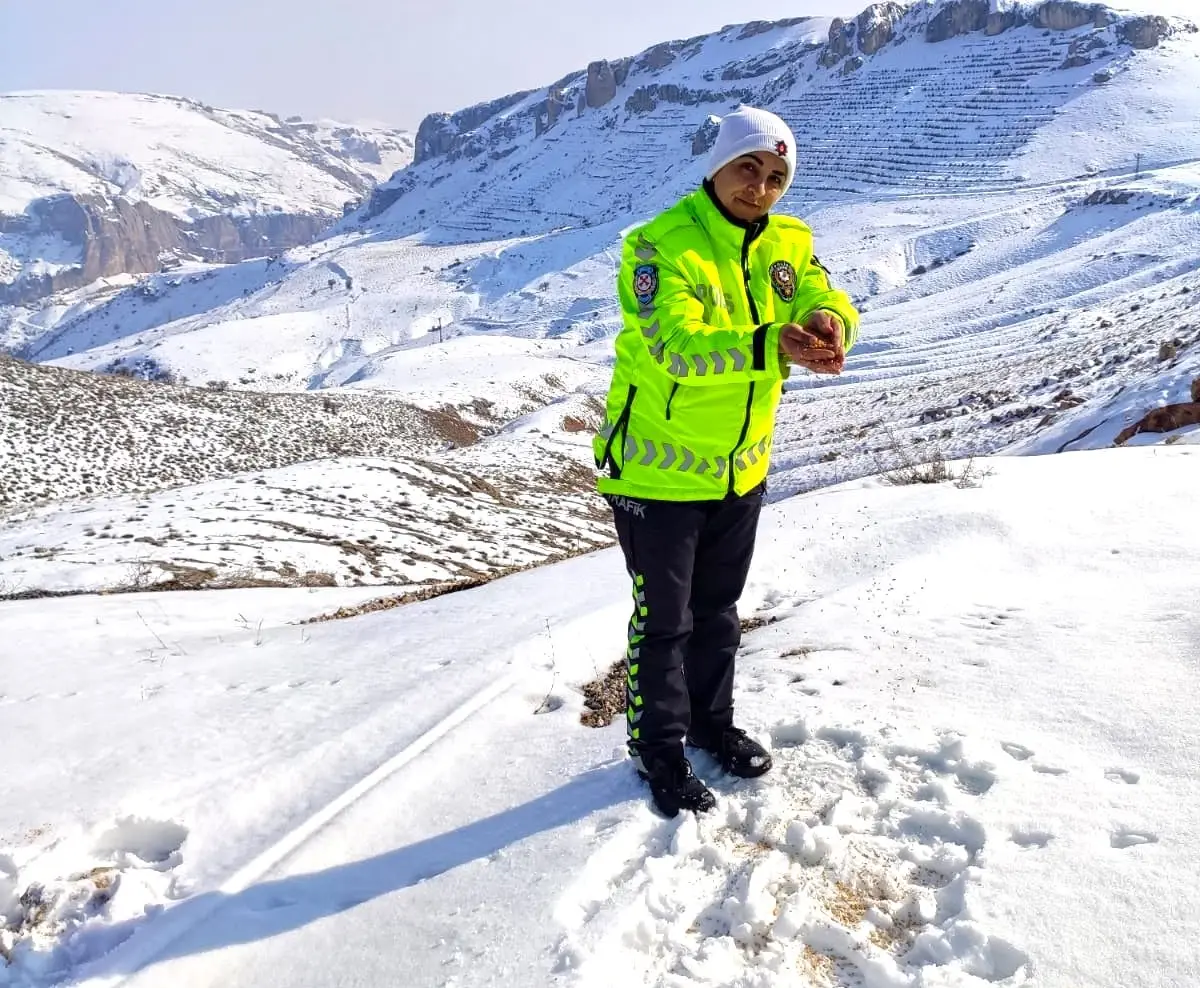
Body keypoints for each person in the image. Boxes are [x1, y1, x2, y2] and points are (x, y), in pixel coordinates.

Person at [592, 106, 860, 818]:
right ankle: (660, 747)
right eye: (749, 168)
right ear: (717, 166)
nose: (762, 187)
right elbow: (676, 345)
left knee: (718, 612)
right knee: (666, 621)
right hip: (656, 472)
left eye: (777, 176)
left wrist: (832, 322)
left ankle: (713, 724)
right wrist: (775, 345)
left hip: (739, 468)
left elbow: (818, 289)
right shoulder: (657, 247)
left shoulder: (789, 239)